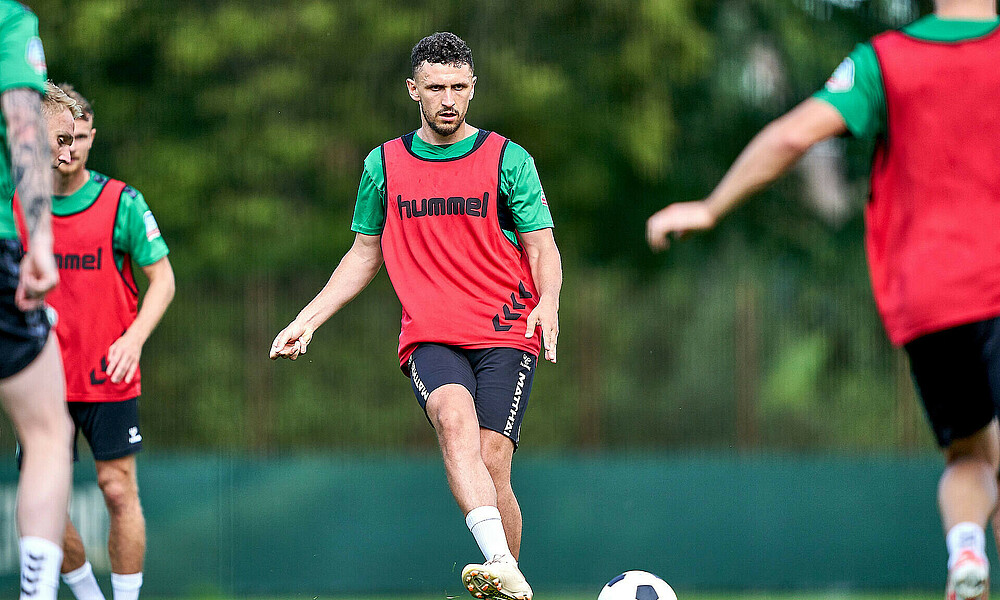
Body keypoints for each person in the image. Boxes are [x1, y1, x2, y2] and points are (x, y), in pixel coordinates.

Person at [645, 2, 1000, 599]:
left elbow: (791, 134)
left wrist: (710, 207)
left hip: (927, 297)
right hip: (992, 279)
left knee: (968, 451)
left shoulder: (885, 61)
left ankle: (965, 546)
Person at [270, 32, 561, 600]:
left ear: (473, 89)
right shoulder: (384, 164)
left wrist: (548, 302)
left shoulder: (508, 158)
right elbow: (365, 252)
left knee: (494, 460)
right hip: (430, 332)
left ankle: (505, 580)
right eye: (435, 87)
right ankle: (504, 569)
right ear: (413, 91)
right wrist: (308, 319)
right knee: (454, 422)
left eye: (458, 86)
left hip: (506, 327)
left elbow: (541, 244)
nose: (448, 98)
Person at [16, 83, 174, 600]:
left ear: (90, 137)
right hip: (41, 377)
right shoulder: (15, 206)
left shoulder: (121, 202)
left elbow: (164, 280)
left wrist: (133, 338)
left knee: (117, 489)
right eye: (61, 137)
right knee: (45, 500)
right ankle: (87, 595)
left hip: (109, 374)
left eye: (77, 137)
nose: (70, 150)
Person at [0, 7, 78, 595]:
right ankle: (36, 592)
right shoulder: (9, 20)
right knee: (48, 433)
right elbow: (24, 126)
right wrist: (41, 242)